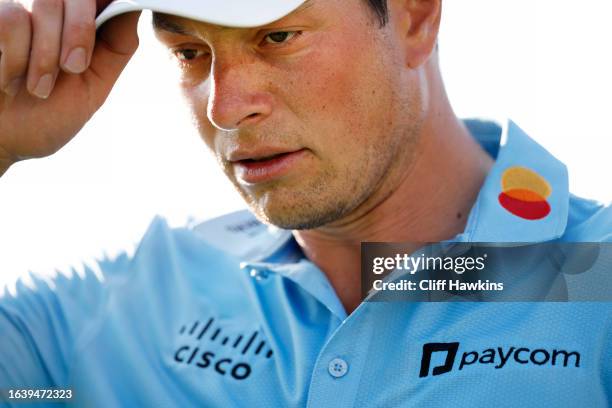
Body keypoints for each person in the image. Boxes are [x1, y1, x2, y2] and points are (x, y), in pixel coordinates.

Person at [0, 0, 610, 406]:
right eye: (190, 53)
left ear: (415, 18)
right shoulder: (136, 299)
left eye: (278, 37)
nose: (226, 108)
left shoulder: (598, 278)